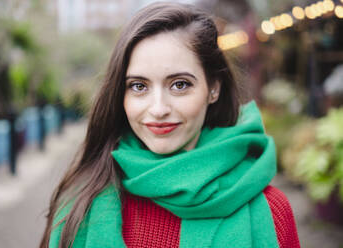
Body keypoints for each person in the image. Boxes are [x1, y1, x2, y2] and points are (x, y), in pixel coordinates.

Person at [40, 2, 300, 248]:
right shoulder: (79, 206)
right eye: (139, 86)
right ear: (121, 94)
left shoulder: (271, 210)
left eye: (180, 85)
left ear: (213, 88)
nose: (158, 109)